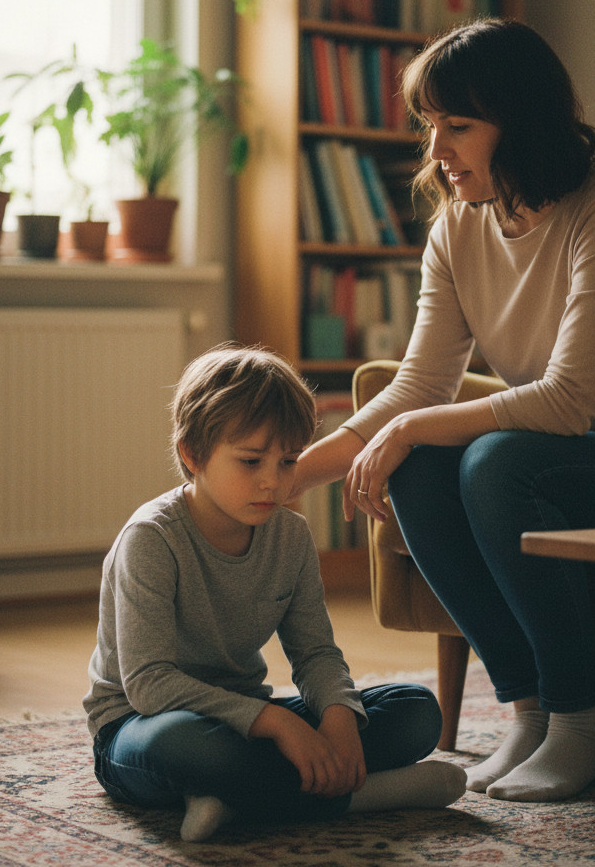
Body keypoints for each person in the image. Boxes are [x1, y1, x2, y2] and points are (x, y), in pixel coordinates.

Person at [294, 19, 595, 804]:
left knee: (494, 461)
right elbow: (420, 384)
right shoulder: (457, 228)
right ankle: (531, 714)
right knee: (425, 464)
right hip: (567, 454)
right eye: (431, 125)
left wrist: (406, 429)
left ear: (522, 122)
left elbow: (566, 402)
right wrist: (287, 478)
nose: (437, 150)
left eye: (459, 126)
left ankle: (579, 721)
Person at [83, 343, 466, 842]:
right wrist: (280, 726)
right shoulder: (151, 538)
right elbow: (149, 685)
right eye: (250, 461)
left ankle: (235, 797)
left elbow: (315, 652)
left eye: (288, 461)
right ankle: (362, 796)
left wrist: (338, 717)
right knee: (193, 748)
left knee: (416, 712)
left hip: (247, 721)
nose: (272, 481)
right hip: (141, 728)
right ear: (192, 453)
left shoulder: (291, 537)